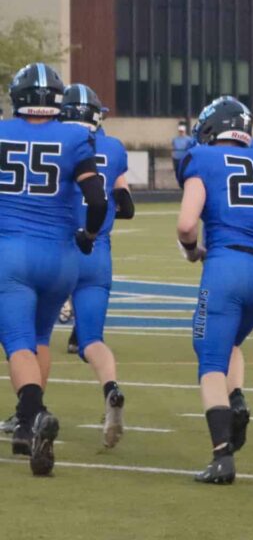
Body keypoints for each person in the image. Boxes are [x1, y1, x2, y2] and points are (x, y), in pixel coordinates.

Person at [176, 96, 253, 484]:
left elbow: (186, 225)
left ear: (211, 129)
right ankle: (237, 399)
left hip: (227, 268)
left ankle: (221, 457)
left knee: (209, 360)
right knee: (230, 342)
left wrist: (194, 251)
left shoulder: (202, 158)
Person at [0, 63, 107, 476]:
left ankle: (33, 415)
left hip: (11, 252)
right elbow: (96, 201)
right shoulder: (76, 135)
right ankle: (29, 423)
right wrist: (89, 236)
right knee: (41, 337)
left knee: (17, 342)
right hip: (61, 257)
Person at [60, 84, 134, 448]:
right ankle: (111, 388)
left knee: (33, 338)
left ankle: (27, 411)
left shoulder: (56, 141)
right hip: (98, 250)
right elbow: (125, 204)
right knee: (92, 340)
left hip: (58, 245)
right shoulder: (114, 147)